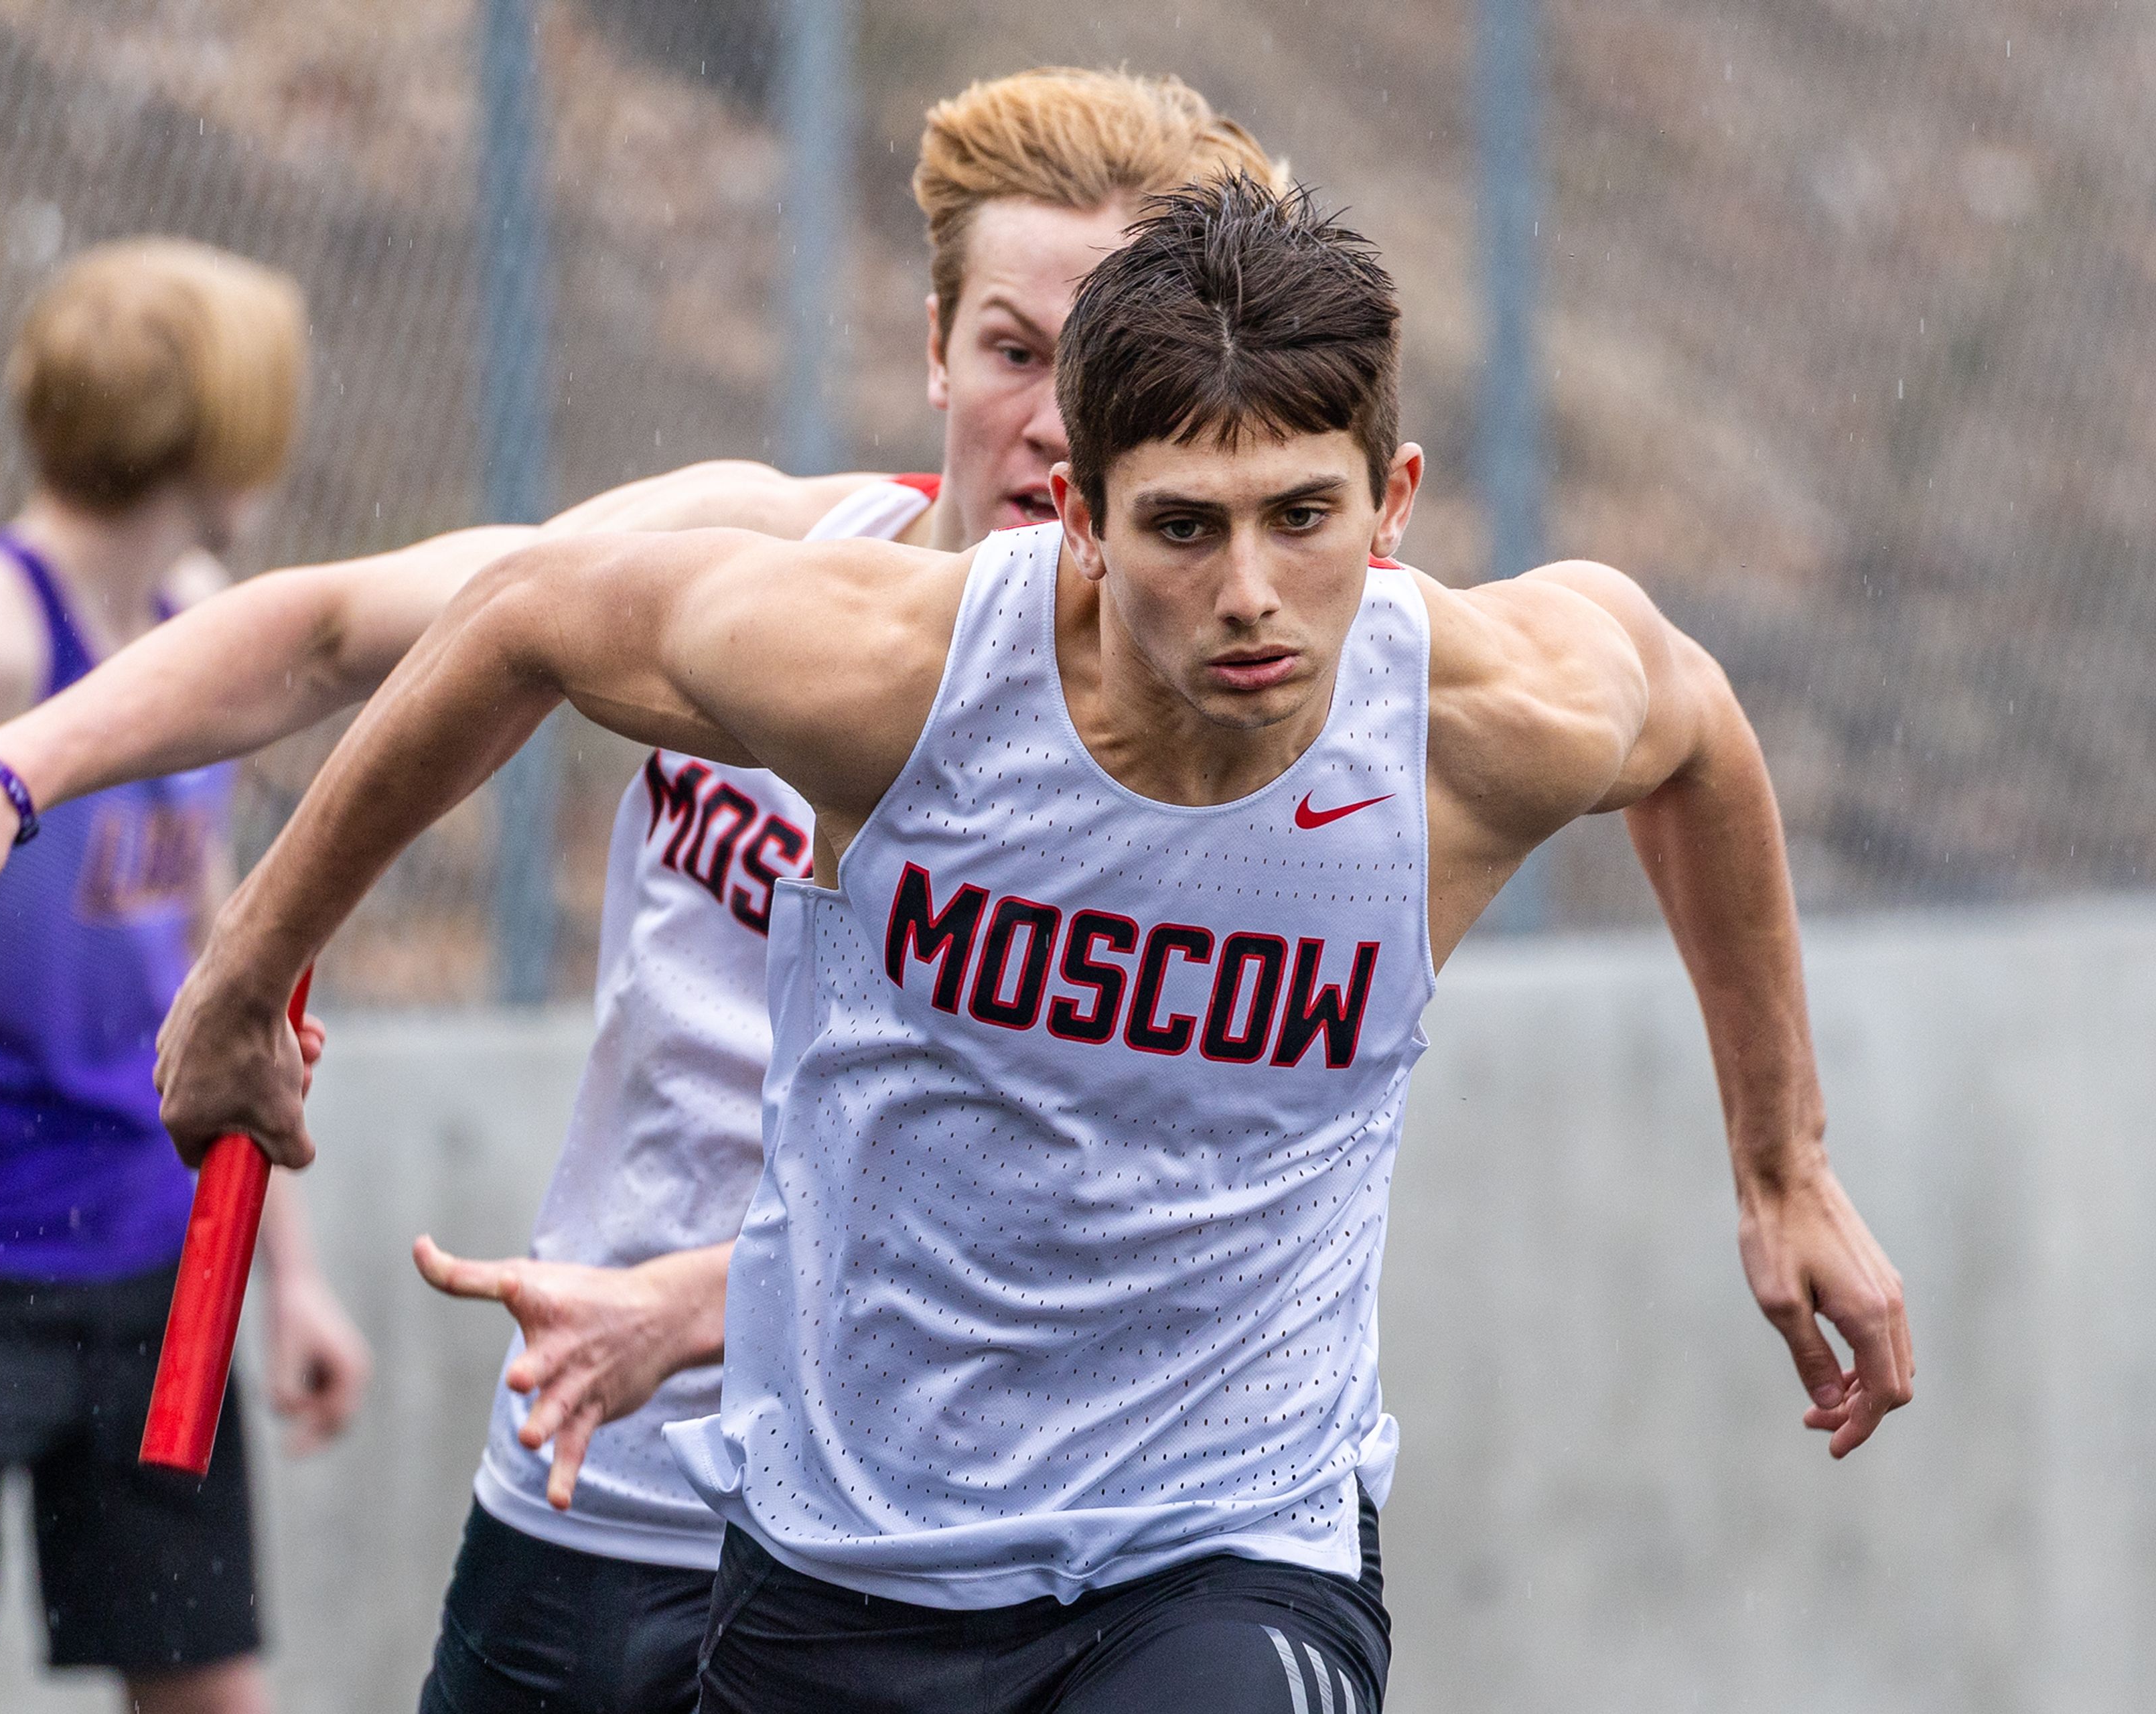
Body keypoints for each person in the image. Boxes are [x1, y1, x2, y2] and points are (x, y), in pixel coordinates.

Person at [149, 177, 1917, 1713]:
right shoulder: (905, 677)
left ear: (1393, 506)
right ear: (1078, 512)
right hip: (857, 1553)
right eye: (1181, 528)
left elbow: (1696, 738)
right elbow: (524, 619)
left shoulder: (1482, 714)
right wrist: (241, 980)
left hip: (1227, 1540)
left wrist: (1785, 1167)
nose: (1247, 595)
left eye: (1304, 518)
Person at [0, 70, 1289, 1714]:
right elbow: (341, 629)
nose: (1053, 420)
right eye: (1015, 349)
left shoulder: (1212, 753)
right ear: (935, 344)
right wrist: (2, 775)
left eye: (1106, 369)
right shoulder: (747, 571)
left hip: (924, 1560)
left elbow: (1077, 1226)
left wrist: (700, 1301)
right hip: (596, 1489)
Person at [0, 237, 370, 1714]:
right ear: (211, 430)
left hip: (146, 1242)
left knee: (207, 1685)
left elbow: (222, 955)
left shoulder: (193, 611)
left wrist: (288, 1276)